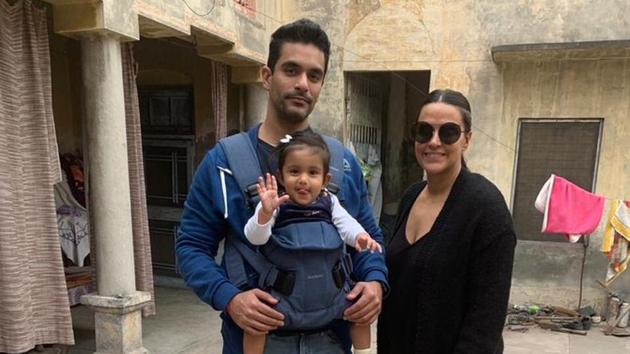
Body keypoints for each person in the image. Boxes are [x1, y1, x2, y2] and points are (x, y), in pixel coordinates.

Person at [176, 18, 388, 354]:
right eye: (291, 70)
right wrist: (229, 297)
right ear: (266, 76)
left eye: (314, 75)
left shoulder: (340, 163)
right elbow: (190, 246)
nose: (303, 83)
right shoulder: (225, 163)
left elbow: (368, 238)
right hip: (256, 340)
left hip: (332, 339)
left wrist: (375, 281)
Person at [376, 89, 516, 354]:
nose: (434, 142)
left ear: (467, 140)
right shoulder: (411, 196)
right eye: (424, 131)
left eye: (448, 132)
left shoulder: (486, 208)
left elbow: (484, 325)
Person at [243, 131, 381, 354]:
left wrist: (360, 238)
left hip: (331, 295)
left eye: (313, 172)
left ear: (326, 179)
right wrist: (264, 215)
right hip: (285, 297)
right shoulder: (275, 203)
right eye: (294, 171)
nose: (303, 180)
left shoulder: (329, 201)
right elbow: (255, 238)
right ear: (280, 176)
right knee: (255, 325)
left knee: (359, 311)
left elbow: (347, 225)